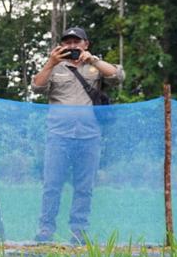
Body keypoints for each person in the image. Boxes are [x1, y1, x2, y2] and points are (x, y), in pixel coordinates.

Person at [31, 27, 124, 244]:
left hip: (89, 136)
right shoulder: (55, 67)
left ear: (86, 44)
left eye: (77, 42)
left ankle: (78, 232)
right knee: (52, 185)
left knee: (84, 187)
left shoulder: (95, 66)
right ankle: (45, 230)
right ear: (62, 45)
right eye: (68, 42)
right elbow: (36, 87)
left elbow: (118, 76)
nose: (72, 46)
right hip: (58, 135)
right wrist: (50, 62)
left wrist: (93, 60)